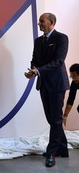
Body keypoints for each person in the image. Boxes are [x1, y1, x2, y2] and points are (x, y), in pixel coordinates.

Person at [24, 13, 69, 167]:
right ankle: (63, 148)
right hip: (44, 84)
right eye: (39, 21)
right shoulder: (38, 41)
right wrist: (32, 71)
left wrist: (38, 71)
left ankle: (52, 152)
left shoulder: (62, 38)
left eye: (42, 21)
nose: (39, 24)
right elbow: (34, 60)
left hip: (57, 84)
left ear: (52, 23)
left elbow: (58, 62)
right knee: (52, 119)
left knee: (55, 119)